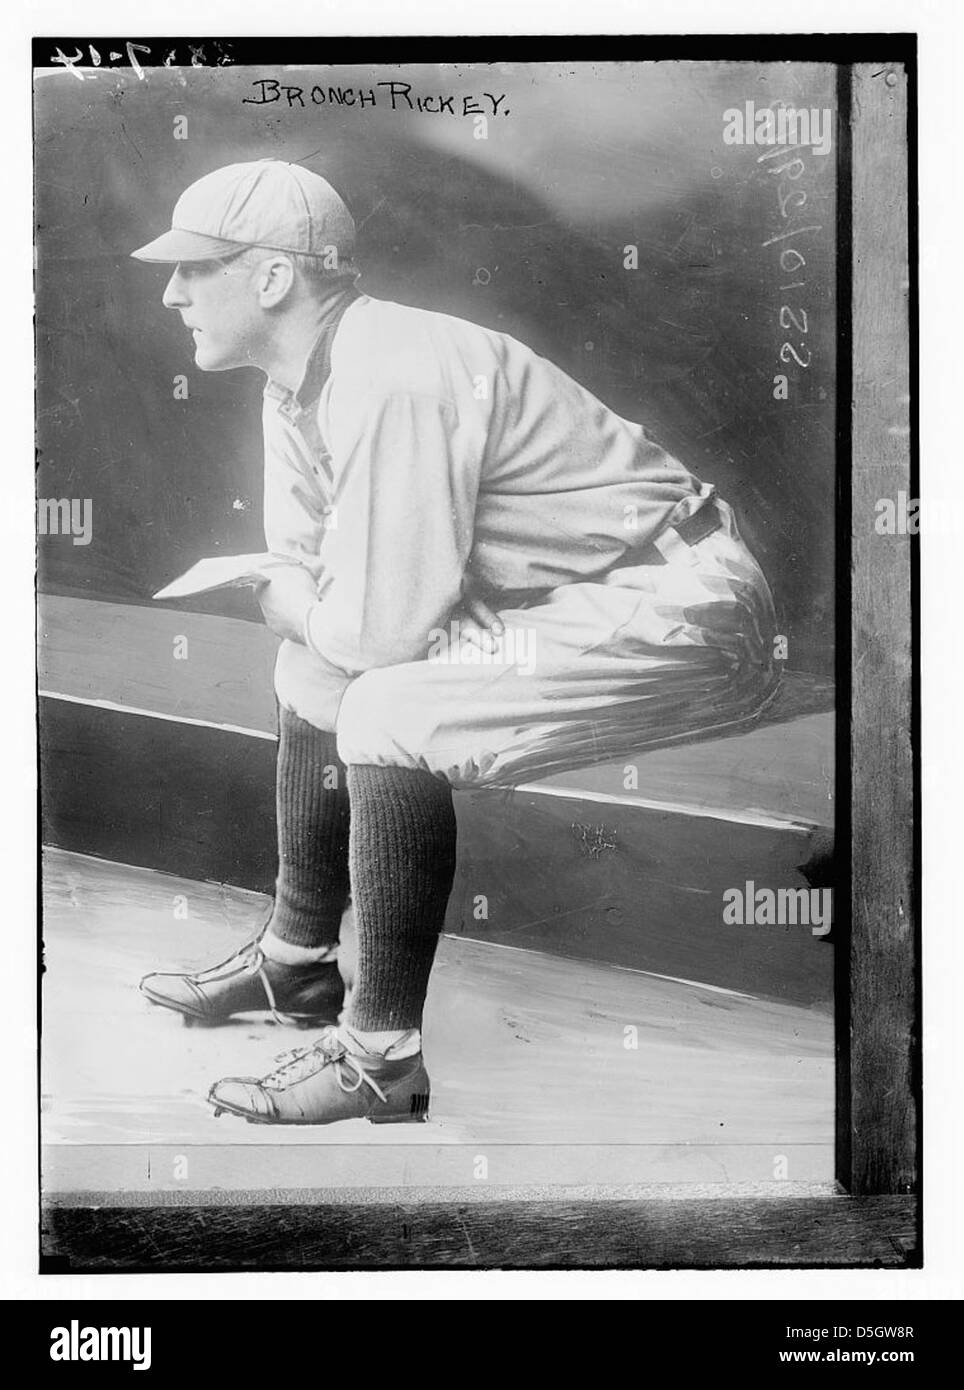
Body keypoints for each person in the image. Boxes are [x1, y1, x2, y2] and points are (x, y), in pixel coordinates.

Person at [132, 158, 780, 1126]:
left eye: (195, 267)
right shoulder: (292, 381)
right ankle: (296, 964)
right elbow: (308, 571)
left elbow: (372, 626)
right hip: (570, 598)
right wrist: (319, 611)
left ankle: (383, 1058)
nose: (172, 291)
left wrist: (322, 609)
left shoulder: (391, 374)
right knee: (309, 666)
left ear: (271, 277)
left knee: (390, 703)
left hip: (681, 604)